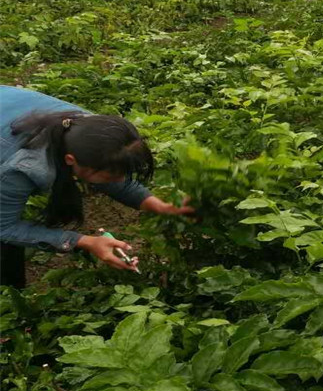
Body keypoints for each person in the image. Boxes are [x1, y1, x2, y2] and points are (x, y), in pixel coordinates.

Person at [0, 86, 194, 289]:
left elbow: (111, 174)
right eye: (110, 176)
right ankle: (9, 297)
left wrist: (159, 206)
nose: (117, 180)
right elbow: (3, 227)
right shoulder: (24, 169)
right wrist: (83, 241)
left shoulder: (92, 134)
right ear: (70, 160)